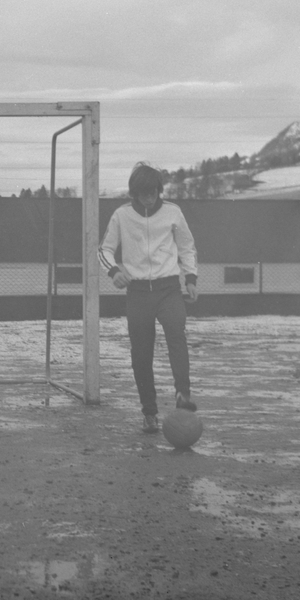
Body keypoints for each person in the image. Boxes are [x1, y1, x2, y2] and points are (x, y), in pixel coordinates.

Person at [99, 162, 199, 433]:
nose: (150, 197)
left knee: (177, 335)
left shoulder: (173, 212)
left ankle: (183, 395)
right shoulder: (121, 216)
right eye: (144, 192)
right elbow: (105, 250)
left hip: (168, 289)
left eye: (154, 191)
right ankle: (149, 412)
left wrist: (190, 278)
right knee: (141, 355)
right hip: (138, 292)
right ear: (134, 192)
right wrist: (114, 271)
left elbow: (187, 247)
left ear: (159, 190)